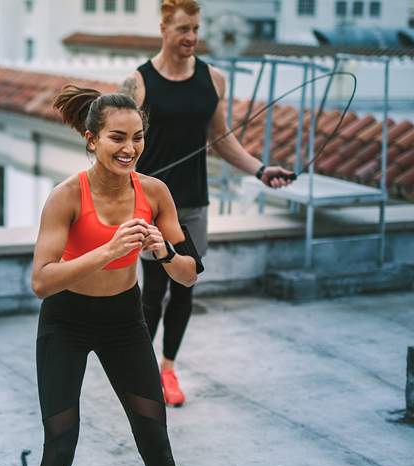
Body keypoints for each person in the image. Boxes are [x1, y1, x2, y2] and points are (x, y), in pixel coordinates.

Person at [29, 84, 203, 466]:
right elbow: (42, 281)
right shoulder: (66, 197)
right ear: (92, 140)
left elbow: (188, 275)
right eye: (117, 138)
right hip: (65, 321)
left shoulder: (155, 192)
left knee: (156, 444)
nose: (130, 149)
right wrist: (107, 250)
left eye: (137, 137)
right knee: (61, 447)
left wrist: (164, 251)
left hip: (124, 322)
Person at [119, 0, 293, 407]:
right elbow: (122, 145)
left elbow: (221, 139)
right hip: (152, 204)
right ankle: (140, 374)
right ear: (163, 28)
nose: (192, 37)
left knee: (185, 286)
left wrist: (260, 169)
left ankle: (167, 370)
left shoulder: (212, 79)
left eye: (196, 28)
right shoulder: (138, 82)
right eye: (183, 29)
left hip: (194, 202)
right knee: (154, 289)